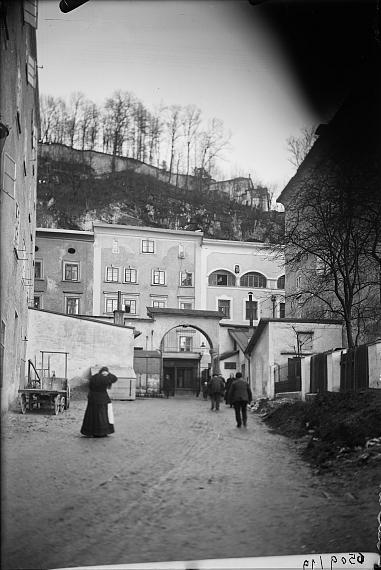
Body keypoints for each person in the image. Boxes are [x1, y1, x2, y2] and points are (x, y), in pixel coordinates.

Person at [80, 366, 118, 437]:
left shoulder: (94, 377)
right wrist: (108, 374)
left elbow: (89, 386)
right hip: (102, 399)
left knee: (91, 416)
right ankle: (101, 432)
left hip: (92, 398)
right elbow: (115, 378)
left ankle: (90, 432)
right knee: (101, 416)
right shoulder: (106, 378)